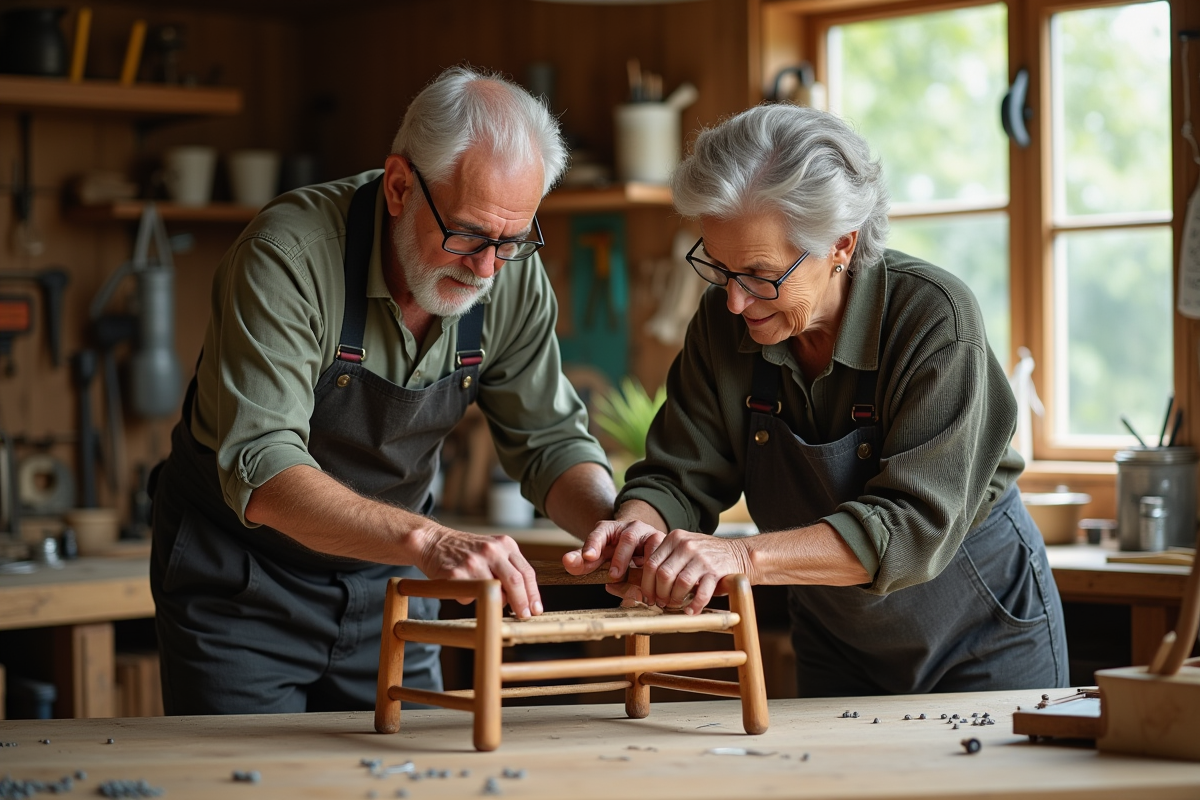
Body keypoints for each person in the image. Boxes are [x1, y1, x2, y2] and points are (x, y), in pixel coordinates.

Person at [151, 66, 616, 715]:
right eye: (467, 234)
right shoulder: (290, 256)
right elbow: (264, 467)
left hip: (391, 585)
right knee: (250, 782)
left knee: (411, 777)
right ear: (399, 186)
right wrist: (429, 542)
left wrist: (615, 532)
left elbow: (551, 441)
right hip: (245, 584)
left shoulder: (508, 274)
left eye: (511, 241)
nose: (485, 269)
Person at [564, 103, 1069, 697]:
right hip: (837, 637)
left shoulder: (934, 318)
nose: (733, 301)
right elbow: (679, 478)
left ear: (841, 245)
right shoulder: (723, 324)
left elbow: (911, 526)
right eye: (719, 268)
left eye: (758, 273)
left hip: (981, 628)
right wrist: (634, 533)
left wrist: (743, 560)